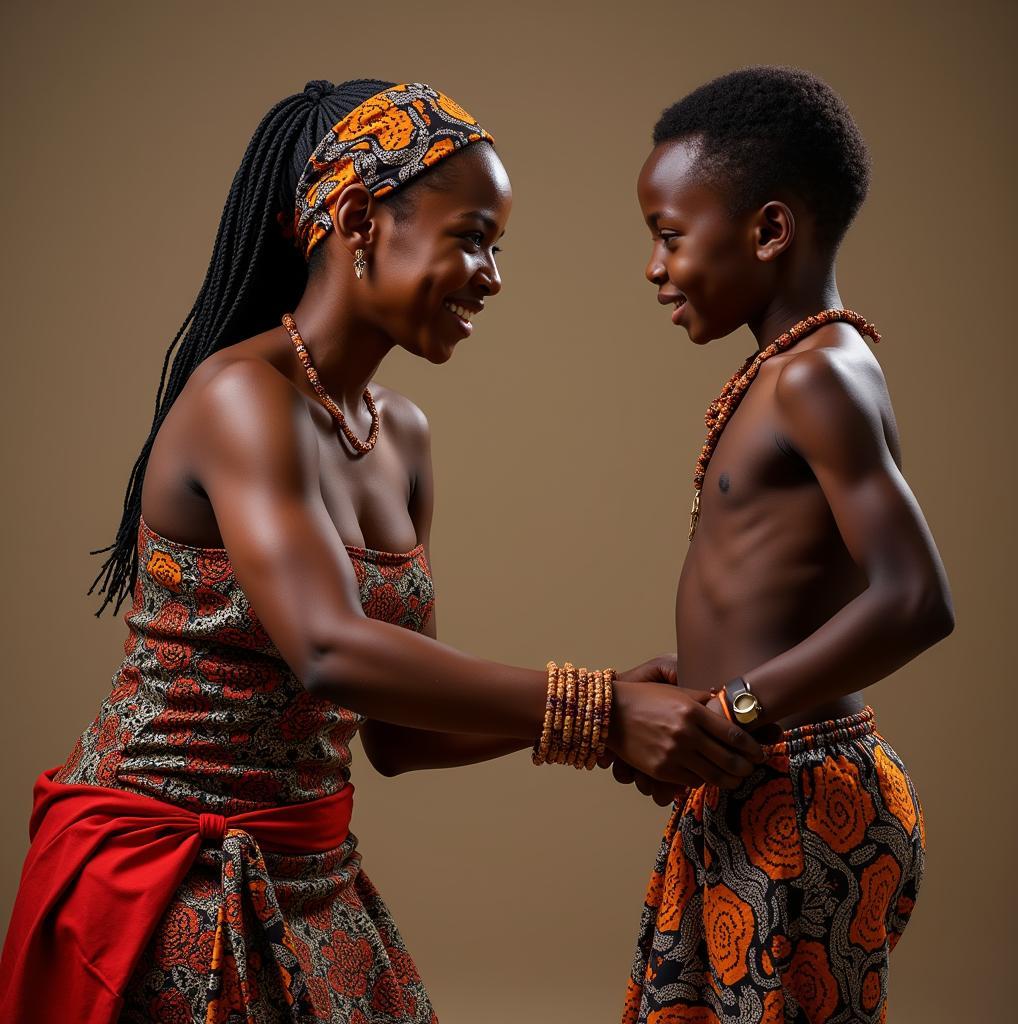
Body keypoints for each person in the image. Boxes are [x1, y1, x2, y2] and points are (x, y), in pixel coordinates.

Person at [0, 79, 767, 1024]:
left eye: (499, 246)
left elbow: (400, 734)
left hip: (311, 867)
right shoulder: (241, 398)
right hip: (171, 878)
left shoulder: (398, 435)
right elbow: (329, 649)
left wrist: (611, 702)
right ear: (362, 218)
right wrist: (602, 709)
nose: (493, 274)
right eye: (474, 235)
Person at [618, 67, 955, 1024]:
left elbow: (916, 598)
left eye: (670, 236)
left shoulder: (820, 376)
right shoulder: (783, 369)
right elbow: (788, 589)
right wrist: (697, 683)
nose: (653, 267)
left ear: (769, 231)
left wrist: (734, 704)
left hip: (805, 799)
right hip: (751, 781)